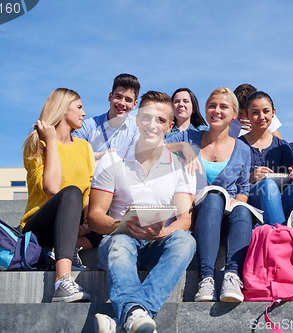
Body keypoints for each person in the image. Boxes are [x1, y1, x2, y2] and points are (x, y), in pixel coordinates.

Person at [88, 91, 197, 333]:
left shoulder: (180, 167)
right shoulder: (112, 161)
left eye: (159, 120)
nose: (151, 125)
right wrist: (123, 226)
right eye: (146, 118)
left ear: (169, 126)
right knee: (120, 242)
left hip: (157, 243)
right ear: (137, 119)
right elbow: (94, 216)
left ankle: (129, 315)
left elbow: (184, 218)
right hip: (119, 240)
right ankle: (136, 313)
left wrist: (161, 233)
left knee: (185, 241)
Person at [165, 87, 253, 303]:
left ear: (234, 114)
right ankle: (206, 278)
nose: (216, 110)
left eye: (224, 106)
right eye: (212, 106)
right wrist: (183, 147)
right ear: (205, 110)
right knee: (213, 196)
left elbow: (244, 190)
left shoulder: (243, 149)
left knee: (242, 208)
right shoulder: (188, 136)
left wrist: (237, 201)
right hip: (196, 212)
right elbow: (152, 149)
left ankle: (232, 275)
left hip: (228, 218)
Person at [21, 88, 93, 303]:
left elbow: (88, 191)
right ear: (63, 110)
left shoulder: (85, 147)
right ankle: (63, 280)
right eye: (79, 107)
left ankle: (70, 244)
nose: (84, 113)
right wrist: (51, 141)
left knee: (109, 210)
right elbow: (52, 187)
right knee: (71, 192)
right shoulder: (37, 143)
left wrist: (88, 220)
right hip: (39, 228)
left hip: (73, 223)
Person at [239, 91, 293, 225]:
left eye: (266, 111)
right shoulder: (238, 145)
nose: (261, 117)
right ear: (247, 114)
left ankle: (276, 224)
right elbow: (232, 181)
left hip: (280, 198)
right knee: (268, 185)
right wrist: (250, 177)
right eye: (255, 112)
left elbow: (288, 180)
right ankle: (281, 236)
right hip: (253, 199)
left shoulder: (282, 146)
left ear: (273, 112)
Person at [73, 73, 141, 161]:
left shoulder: (138, 127)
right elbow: (73, 153)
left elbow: (141, 155)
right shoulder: (88, 126)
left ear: (134, 104)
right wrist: (100, 155)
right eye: (118, 97)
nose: (122, 103)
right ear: (110, 97)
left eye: (128, 100)